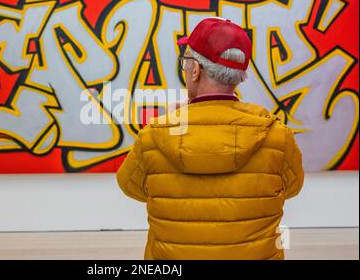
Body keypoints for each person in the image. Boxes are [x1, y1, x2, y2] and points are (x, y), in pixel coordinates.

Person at [116, 17, 304, 260]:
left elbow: (130, 186)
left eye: (185, 62)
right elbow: (291, 188)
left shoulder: (154, 136)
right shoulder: (278, 136)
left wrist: (173, 122)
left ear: (195, 70)